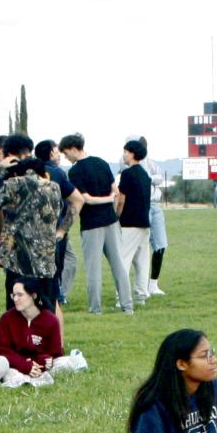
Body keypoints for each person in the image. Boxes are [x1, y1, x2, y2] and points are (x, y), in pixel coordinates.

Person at [0, 134, 60, 313]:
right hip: (45, 259)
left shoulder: (16, 185)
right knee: (46, 309)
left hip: (20, 260)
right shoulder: (53, 187)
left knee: (17, 309)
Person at [59, 133, 130, 315]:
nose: (66, 158)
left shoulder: (75, 172)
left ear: (74, 149)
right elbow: (115, 191)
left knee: (93, 269)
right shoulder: (102, 163)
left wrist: (104, 199)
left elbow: (85, 199)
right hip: (111, 221)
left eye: (66, 154)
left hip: (91, 225)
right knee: (119, 265)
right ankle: (127, 305)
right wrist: (110, 205)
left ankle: (95, 308)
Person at [0, 277, 82, 387]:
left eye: (20, 295)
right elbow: (2, 351)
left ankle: (32, 380)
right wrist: (25, 365)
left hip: (41, 366)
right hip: (17, 365)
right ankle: (28, 380)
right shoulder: (6, 319)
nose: (15, 299)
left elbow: (55, 353)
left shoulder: (50, 320)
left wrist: (47, 361)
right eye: (13, 295)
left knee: (66, 362)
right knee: (7, 371)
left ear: (33, 295)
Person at [35, 138, 76, 310]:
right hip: (55, 229)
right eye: (57, 150)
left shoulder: (31, 172)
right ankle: (57, 297)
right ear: (51, 152)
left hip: (36, 231)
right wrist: (63, 228)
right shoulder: (57, 173)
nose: (59, 153)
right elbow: (74, 200)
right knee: (57, 268)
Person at [113, 139, 154, 307]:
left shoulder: (128, 174)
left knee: (123, 260)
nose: (124, 155)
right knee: (142, 261)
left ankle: (121, 297)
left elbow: (121, 200)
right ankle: (141, 295)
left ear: (132, 154)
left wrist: (116, 216)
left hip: (129, 223)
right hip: (144, 222)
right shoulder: (145, 175)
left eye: (125, 152)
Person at [146, 155, 169, 296]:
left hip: (155, 205)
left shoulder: (151, 163)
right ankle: (140, 286)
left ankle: (153, 285)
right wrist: (151, 178)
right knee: (140, 248)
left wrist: (150, 178)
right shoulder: (127, 163)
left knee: (160, 246)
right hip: (141, 205)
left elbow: (159, 178)